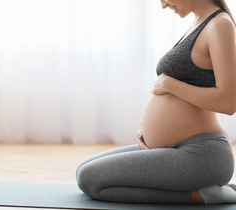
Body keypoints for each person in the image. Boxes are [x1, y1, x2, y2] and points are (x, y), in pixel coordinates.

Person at [76, 0, 236, 204]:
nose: (163, 5)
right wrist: (153, 135)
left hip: (201, 154)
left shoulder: (219, 24)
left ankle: (205, 196)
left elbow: (228, 102)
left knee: (89, 179)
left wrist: (171, 85)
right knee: (83, 169)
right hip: (173, 149)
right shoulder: (199, 22)